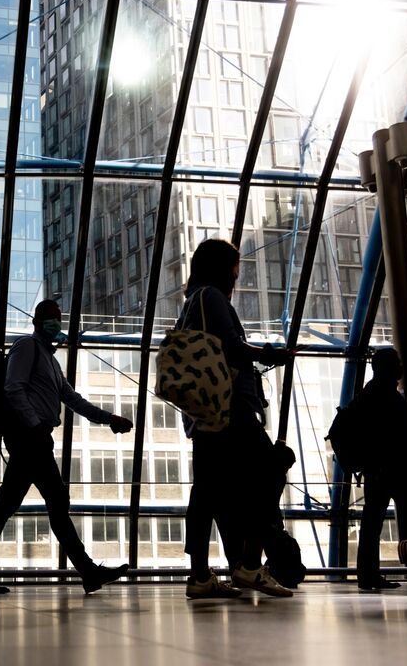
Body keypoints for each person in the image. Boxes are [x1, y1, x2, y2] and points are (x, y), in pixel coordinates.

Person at [0, 299, 134, 595]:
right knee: (53, 502)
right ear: (37, 321)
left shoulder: (51, 361)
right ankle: (88, 572)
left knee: (14, 506)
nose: (56, 322)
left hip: (35, 437)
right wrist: (34, 425)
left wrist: (108, 419)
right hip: (29, 437)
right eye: (51, 318)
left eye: (58, 317)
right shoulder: (26, 346)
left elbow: (72, 398)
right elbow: (13, 387)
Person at [178, 238, 295, 599]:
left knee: (206, 492)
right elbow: (232, 347)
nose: (237, 274)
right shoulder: (212, 297)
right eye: (235, 266)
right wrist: (272, 354)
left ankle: (200, 576)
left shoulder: (190, 304)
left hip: (205, 413)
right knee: (272, 467)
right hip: (232, 409)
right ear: (222, 267)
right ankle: (247, 564)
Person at [353, 348, 407, 591]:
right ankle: (369, 575)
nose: (401, 366)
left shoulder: (370, 393)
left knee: (371, 524)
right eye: (397, 363)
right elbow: (394, 433)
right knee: (377, 522)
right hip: (388, 467)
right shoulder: (385, 395)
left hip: (377, 468)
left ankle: (367, 575)